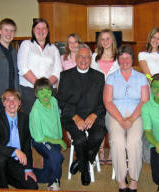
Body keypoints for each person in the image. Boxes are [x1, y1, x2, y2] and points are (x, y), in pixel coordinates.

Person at [56, 43, 106, 186]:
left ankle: (80, 160)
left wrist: (94, 115)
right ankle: (85, 170)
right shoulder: (65, 76)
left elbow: (104, 102)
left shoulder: (99, 76)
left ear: (91, 59)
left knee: (98, 134)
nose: (84, 60)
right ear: (76, 58)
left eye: (87, 57)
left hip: (93, 116)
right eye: (81, 56)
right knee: (79, 140)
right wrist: (75, 117)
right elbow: (61, 101)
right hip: (72, 117)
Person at [104, 45, 149, 192]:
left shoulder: (141, 78)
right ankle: (122, 180)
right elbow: (108, 101)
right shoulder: (111, 77)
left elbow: (144, 101)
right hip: (115, 115)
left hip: (136, 115)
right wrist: (121, 120)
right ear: (118, 60)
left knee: (134, 141)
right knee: (117, 141)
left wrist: (130, 119)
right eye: (121, 57)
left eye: (127, 57)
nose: (124, 60)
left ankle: (134, 180)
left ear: (132, 59)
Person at [0, 89, 38, 189]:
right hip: (0, 156)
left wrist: (28, 169)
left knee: (32, 187)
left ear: (20, 103)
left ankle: (3, 175)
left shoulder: (25, 119)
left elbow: (26, 145)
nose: (12, 103)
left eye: (15, 99)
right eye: (8, 100)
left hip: (16, 161)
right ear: (3, 103)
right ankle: (2, 184)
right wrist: (15, 151)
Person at [17, 18, 61, 115]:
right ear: (33, 30)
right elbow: (22, 67)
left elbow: (58, 71)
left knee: (48, 120)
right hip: (29, 91)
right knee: (31, 121)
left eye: (44, 28)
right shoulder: (26, 45)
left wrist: (45, 87)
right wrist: (40, 85)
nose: (41, 31)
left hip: (49, 91)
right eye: (38, 28)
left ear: (47, 31)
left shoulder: (53, 49)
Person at [29, 77, 66, 191]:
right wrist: (59, 141)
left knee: (50, 165)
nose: (45, 96)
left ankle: (30, 172)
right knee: (57, 157)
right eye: (41, 92)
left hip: (54, 138)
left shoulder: (54, 101)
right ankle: (53, 183)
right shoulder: (35, 112)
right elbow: (39, 137)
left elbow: (57, 116)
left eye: (48, 92)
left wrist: (60, 137)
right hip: (41, 140)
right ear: (36, 94)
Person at [91, 29, 119, 165]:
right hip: (97, 97)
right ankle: (101, 150)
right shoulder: (94, 56)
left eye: (108, 38)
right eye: (102, 39)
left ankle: (113, 151)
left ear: (112, 40)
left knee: (114, 125)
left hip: (115, 98)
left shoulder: (119, 57)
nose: (105, 41)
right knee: (100, 124)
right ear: (99, 42)